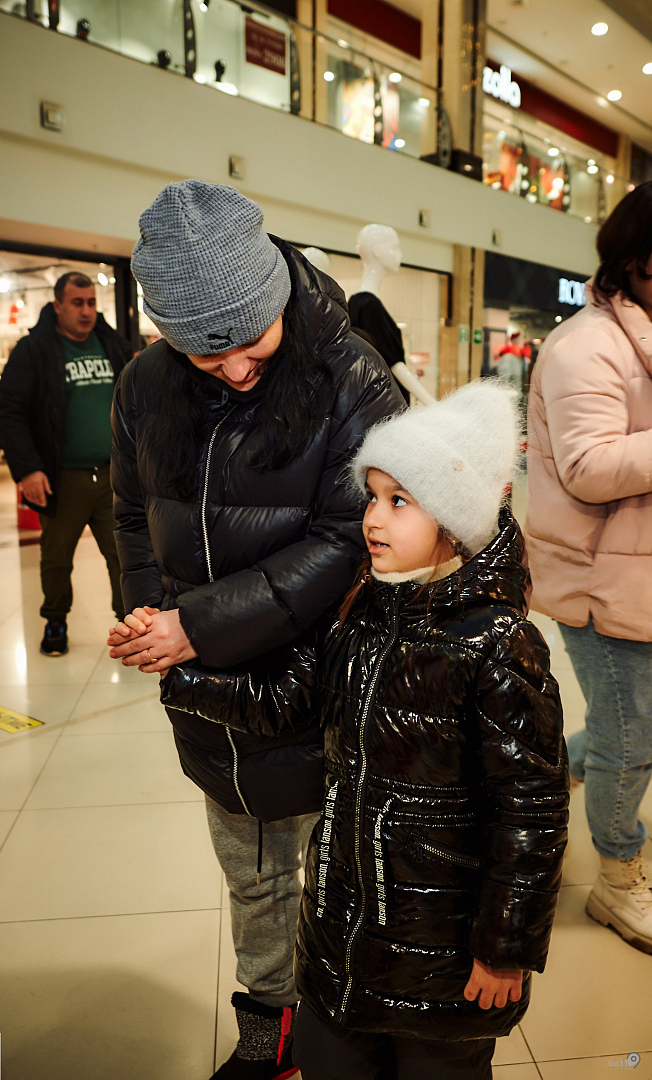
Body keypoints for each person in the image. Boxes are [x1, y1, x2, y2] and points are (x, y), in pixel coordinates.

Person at [186, 379, 569, 1080]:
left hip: (443, 952)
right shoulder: (362, 610)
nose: (372, 518)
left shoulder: (497, 645)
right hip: (341, 930)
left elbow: (530, 812)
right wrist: (186, 678)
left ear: (453, 517)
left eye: (399, 500)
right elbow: (288, 703)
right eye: (371, 496)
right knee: (329, 1060)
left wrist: (504, 948)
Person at [106, 180, 404, 1080]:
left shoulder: (352, 378)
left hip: (323, 679)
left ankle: (347, 1032)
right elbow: (131, 512)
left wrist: (196, 625)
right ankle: (268, 1032)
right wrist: (149, 615)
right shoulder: (144, 384)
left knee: (347, 875)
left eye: (250, 341)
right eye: (206, 351)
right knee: (252, 872)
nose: (235, 368)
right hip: (209, 692)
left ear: (277, 292)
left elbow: (350, 539)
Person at [525, 180, 652, 955]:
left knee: (628, 728)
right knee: (628, 740)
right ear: (639, 261)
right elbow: (587, 467)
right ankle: (615, 878)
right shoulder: (585, 346)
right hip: (603, 583)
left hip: (637, 576)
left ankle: (541, 777)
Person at [0, 271, 132, 655]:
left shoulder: (113, 345)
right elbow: (8, 410)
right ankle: (55, 621)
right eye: (77, 303)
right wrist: (27, 469)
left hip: (113, 475)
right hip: (61, 478)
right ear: (57, 305)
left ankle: (129, 622)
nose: (86, 311)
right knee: (56, 558)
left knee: (124, 554)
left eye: (91, 303)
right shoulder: (35, 350)